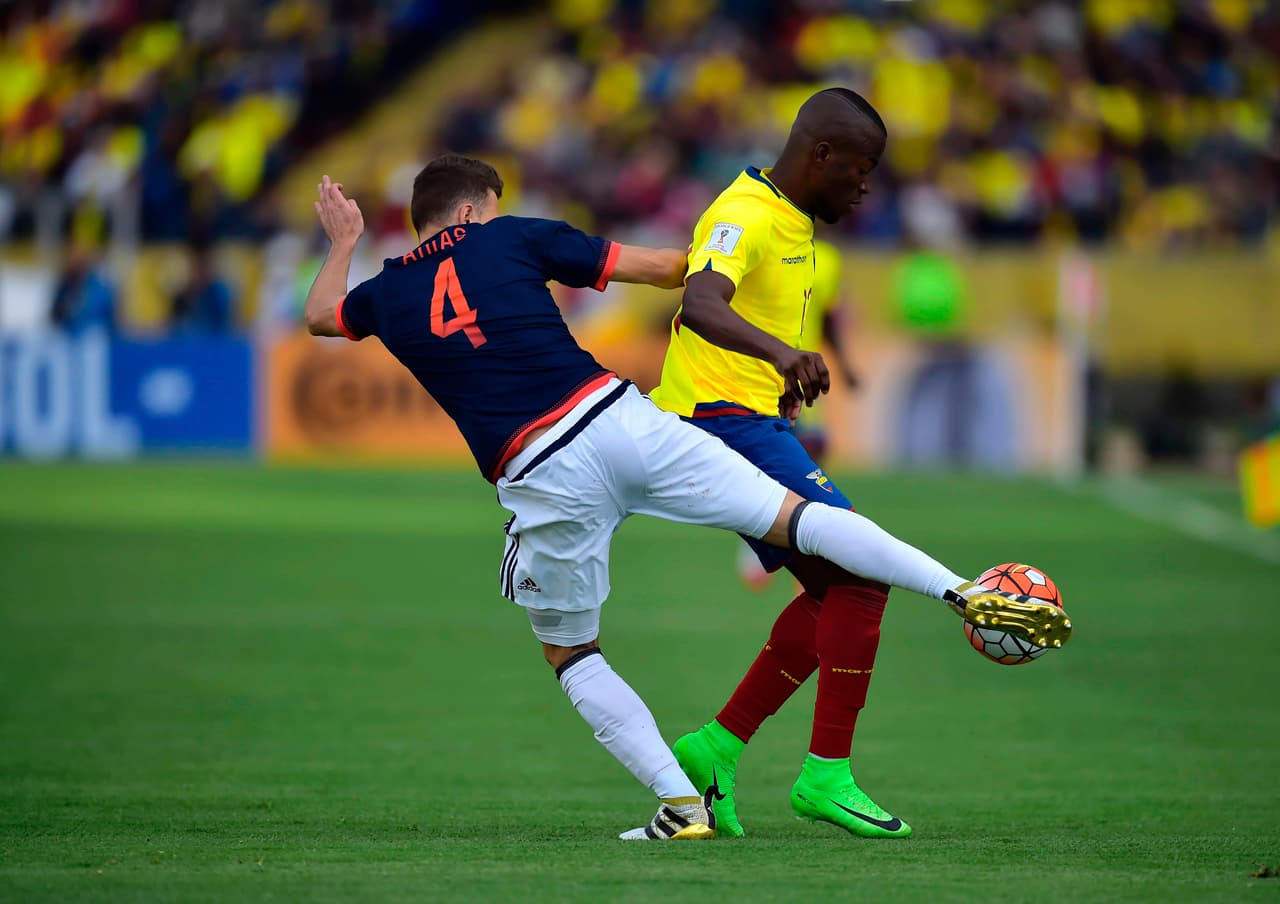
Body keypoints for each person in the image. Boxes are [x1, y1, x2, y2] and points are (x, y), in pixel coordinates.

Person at [304, 154, 1070, 842]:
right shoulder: (514, 237)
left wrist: (343, 242)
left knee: (572, 653)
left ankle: (681, 805)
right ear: (472, 211)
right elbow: (670, 268)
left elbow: (320, 317)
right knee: (803, 520)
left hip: (540, 471)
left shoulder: (387, 292)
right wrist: (734, 251)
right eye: (493, 208)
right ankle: (961, 590)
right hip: (621, 420)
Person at [650, 87, 983, 839]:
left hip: (748, 418)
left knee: (839, 589)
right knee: (862, 578)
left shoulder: (793, 221)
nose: (865, 188)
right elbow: (700, 303)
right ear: (822, 154)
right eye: (860, 170)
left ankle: (716, 748)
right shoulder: (744, 213)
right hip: (716, 421)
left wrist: (778, 382)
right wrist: (782, 354)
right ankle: (824, 773)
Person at [736, 237, 856, 590]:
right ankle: (762, 536)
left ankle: (795, 538)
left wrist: (844, 363)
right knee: (771, 454)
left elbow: (827, 316)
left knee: (813, 449)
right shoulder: (766, 243)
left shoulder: (829, 259)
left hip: (804, 372)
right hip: (764, 370)